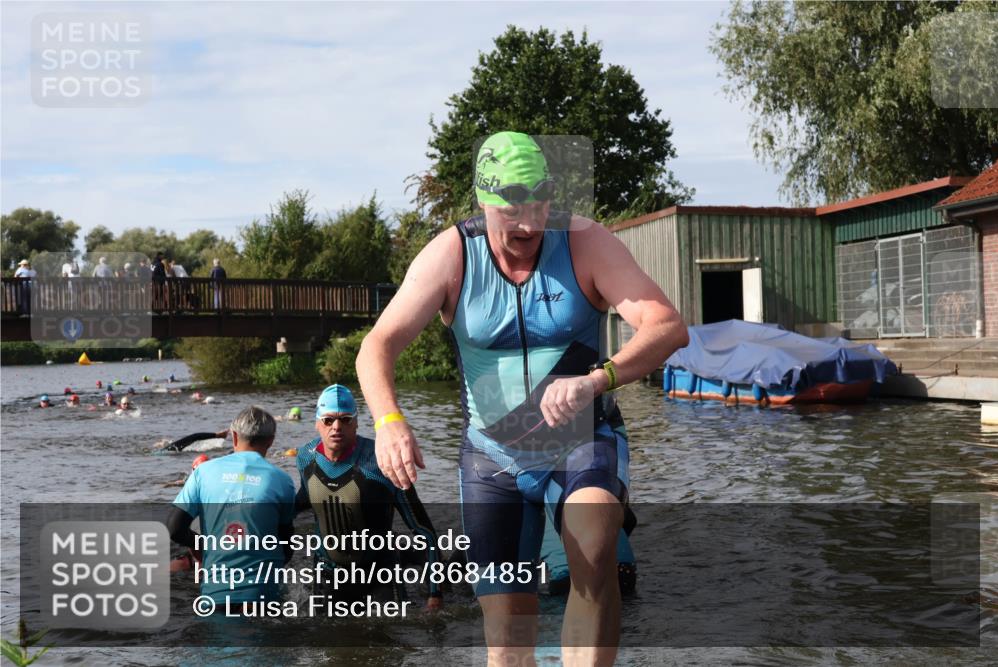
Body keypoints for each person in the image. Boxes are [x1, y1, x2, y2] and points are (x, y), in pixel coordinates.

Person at [356, 131, 688, 665]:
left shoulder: (585, 242)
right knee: (507, 635)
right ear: (483, 200)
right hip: (493, 456)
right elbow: (377, 346)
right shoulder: (451, 255)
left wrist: (597, 378)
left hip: (582, 437)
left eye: (539, 204)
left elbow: (668, 326)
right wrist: (389, 419)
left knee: (593, 547)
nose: (529, 225)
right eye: (512, 210)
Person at [295, 385, 442, 609]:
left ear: (356, 423)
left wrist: (435, 596)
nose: (336, 427)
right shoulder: (306, 457)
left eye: (345, 419)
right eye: (328, 420)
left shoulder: (383, 461)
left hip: (379, 576)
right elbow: (305, 501)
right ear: (317, 423)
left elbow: (424, 531)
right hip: (328, 574)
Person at [167, 406, 296, 605]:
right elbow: (287, 546)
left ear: (234, 436)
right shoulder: (282, 480)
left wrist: (208, 548)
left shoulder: (203, 473)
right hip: (264, 596)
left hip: (216, 595)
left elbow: (175, 528)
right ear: (271, 440)